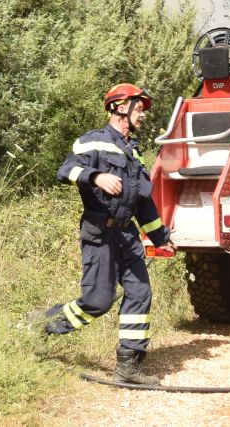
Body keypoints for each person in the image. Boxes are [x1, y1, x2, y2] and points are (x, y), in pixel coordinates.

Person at [41, 82, 175, 386]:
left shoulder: (134, 152)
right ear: (119, 108)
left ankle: (129, 363)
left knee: (141, 292)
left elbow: (143, 203)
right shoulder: (93, 142)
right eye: (138, 108)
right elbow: (65, 171)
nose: (142, 115)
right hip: (100, 232)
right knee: (99, 301)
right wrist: (96, 176)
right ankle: (45, 325)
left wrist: (160, 237)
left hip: (127, 235)